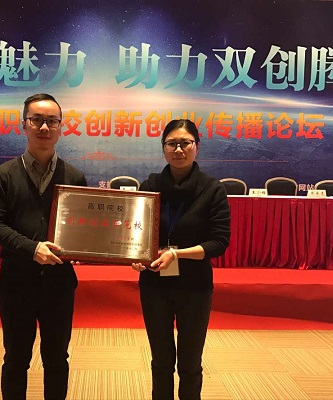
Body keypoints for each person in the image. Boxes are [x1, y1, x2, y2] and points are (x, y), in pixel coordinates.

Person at [0, 93, 87, 400]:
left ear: (60, 127)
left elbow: (82, 226)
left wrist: (81, 248)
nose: (44, 127)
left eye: (52, 121)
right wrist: (32, 248)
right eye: (37, 120)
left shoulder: (74, 176)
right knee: (16, 358)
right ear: (24, 125)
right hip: (17, 282)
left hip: (59, 283)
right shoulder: (4, 175)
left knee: (57, 359)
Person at [132, 119, 231, 400]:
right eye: (171, 143)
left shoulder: (212, 189)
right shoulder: (150, 185)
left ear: (197, 147)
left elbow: (219, 242)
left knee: (189, 363)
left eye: (185, 143)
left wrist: (177, 254)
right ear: (163, 148)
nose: (178, 149)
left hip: (194, 286)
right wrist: (136, 256)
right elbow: (136, 232)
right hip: (154, 284)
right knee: (161, 361)